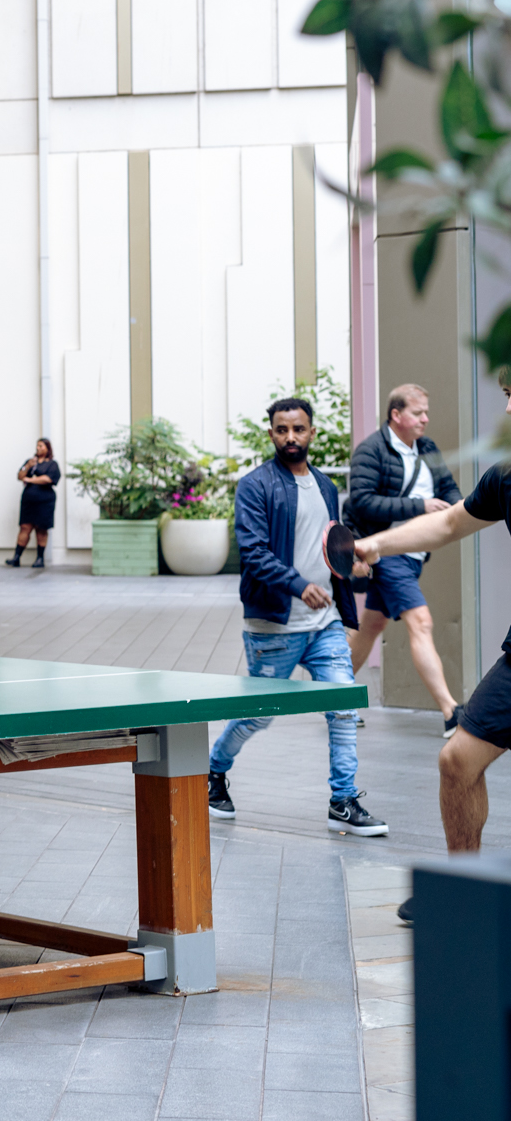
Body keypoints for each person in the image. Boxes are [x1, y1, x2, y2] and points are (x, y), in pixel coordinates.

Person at [354, 380, 511, 923]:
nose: (508, 405)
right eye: (507, 392)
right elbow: (447, 522)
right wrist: (376, 543)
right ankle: (463, 889)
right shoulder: (506, 476)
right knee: (457, 760)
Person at [206, 396, 386, 838]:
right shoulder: (255, 486)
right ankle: (213, 771)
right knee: (259, 714)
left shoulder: (325, 486)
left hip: (323, 624)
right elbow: (253, 553)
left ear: (311, 433)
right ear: (271, 433)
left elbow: (328, 547)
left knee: (343, 706)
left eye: (299, 429)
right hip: (274, 626)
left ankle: (342, 801)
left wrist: (351, 568)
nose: (291, 437)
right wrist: (298, 585)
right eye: (282, 429)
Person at [347, 383, 465, 736]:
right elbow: (362, 501)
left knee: (372, 625)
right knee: (421, 622)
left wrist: (456, 511)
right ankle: (451, 711)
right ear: (396, 415)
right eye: (417, 413)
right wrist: (420, 506)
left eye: (426, 412)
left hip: (413, 555)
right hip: (385, 552)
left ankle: (332, 695)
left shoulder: (427, 448)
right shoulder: (371, 450)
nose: (425, 419)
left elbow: (449, 489)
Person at [7, 439, 60, 567]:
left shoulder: (52, 464)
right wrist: (27, 466)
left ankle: (40, 559)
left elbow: (48, 479)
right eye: (37, 446)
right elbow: (20, 476)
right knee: (25, 527)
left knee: (41, 529)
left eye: (41, 446)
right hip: (29, 500)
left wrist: (30, 480)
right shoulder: (31, 462)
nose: (38, 448)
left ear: (47, 448)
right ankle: (16, 557)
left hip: (45, 501)